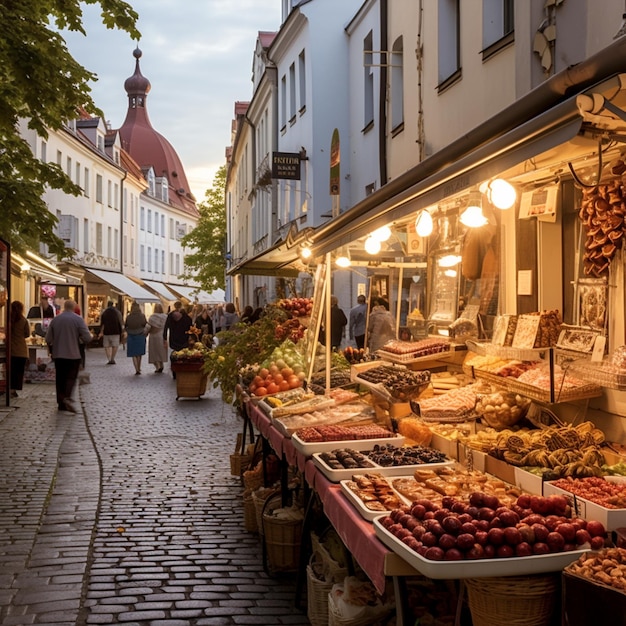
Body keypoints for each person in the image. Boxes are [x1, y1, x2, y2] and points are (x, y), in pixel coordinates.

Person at [45, 299, 93, 414]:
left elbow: (48, 339)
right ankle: (67, 396)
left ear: (64, 307)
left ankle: (61, 403)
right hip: (73, 354)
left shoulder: (56, 320)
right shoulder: (78, 320)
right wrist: (80, 338)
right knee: (71, 377)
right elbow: (87, 338)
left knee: (60, 378)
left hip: (58, 354)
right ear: (74, 307)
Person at [163, 301, 193, 377]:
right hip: (184, 338)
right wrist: (191, 336)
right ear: (181, 306)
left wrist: (165, 338)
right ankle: (183, 369)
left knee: (175, 354)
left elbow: (166, 327)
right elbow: (190, 326)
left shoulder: (170, 316)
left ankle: (174, 370)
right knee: (183, 354)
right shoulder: (186, 316)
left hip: (174, 338)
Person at [10, 300, 30, 398]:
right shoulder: (23, 320)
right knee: (18, 371)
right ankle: (13, 389)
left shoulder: (9, 319)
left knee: (10, 370)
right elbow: (27, 334)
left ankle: (10, 388)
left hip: (10, 349)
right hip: (21, 350)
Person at [124, 301, 148, 375]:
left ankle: (136, 369)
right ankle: (139, 367)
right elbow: (145, 324)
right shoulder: (142, 316)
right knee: (139, 353)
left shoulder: (129, 316)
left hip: (131, 335)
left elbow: (126, 325)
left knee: (133, 353)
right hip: (140, 335)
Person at [145, 302, 168, 373]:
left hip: (154, 336)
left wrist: (145, 333)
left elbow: (148, 327)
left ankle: (157, 366)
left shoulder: (152, 317)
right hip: (162, 335)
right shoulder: (165, 317)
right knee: (161, 351)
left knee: (154, 351)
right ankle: (161, 364)